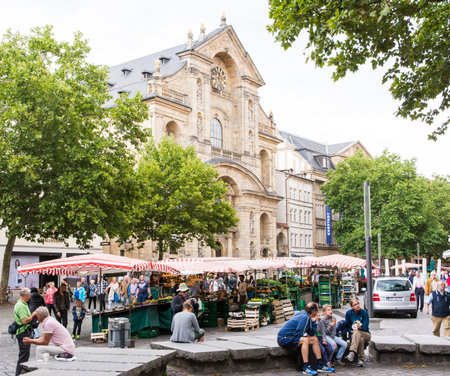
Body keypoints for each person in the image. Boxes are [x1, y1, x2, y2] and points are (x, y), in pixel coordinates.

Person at [277, 302, 334, 375]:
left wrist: (314, 322)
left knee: (314, 339)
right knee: (305, 340)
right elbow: (299, 333)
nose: (318, 312)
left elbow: (311, 333)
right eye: (317, 310)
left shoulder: (308, 316)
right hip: (284, 338)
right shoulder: (305, 317)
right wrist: (305, 336)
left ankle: (320, 365)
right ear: (314, 312)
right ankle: (306, 367)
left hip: (291, 337)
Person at [14, 288, 36, 376]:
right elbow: (24, 321)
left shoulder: (22, 304)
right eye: (29, 295)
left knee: (25, 354)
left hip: (23, 331)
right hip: (23, 332)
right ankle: (19, 373)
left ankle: (22, 371)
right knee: (23, 355)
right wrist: (33, 315)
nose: (30, 297)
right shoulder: (21, 306)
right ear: (26, 295)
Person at [345, 299, 371, 367]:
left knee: (358, 333)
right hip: (354, 335)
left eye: (358, 304)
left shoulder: (365, 313)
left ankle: (352, 352)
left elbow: (365, 328)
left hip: (365, 334)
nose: (357, 306)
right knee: (360, 339)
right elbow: (347, 326)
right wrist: (350, 331)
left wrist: (360, 327)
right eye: (355, 305)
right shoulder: (348, 313)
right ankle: (361, 359)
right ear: (351, 307)